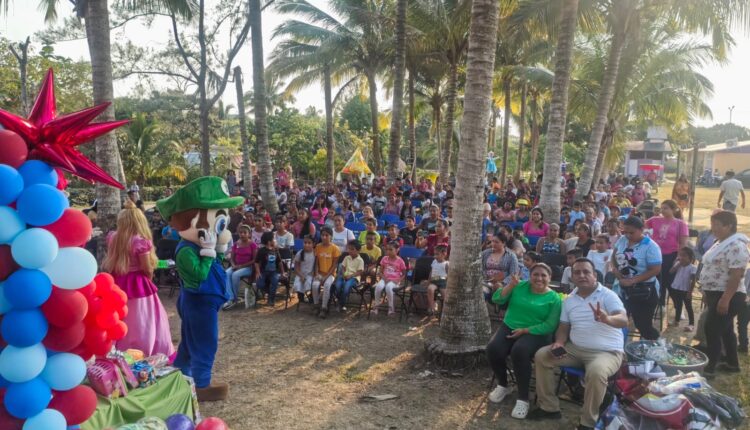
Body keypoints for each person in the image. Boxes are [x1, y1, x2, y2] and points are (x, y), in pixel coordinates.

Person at [530, 258, 628, 429]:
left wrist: (607, 319)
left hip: (606, 352)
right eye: (577, 272)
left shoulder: (608, 295)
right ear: (572, 277)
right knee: (542, 356)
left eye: (586, 272)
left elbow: (623, 319)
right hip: (574, 350)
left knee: (596, 372)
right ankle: (549, 407)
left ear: (594, 275)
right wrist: (559, 342)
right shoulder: (569, 300)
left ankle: (587, 423)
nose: (582, 275)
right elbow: (563, 327)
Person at [487, 264, 562, 419]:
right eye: (535, 274)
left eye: (543, 275)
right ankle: (503, 384)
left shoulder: (554, 298)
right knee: (493, 348)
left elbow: (550, 325)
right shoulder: (519, 286)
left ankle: (523, 398)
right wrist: (510, 285)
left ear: (550, 278)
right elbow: (497, 299)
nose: (539, 278)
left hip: (537, 332)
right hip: (510, 326)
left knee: (519, 351)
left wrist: (525, 331)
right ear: (530, 276)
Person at [103, 200, 174, 357]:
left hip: (117, 281)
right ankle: (143, 352)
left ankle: (119, 352)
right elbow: (147, 268)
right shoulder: (140, 241)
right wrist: (149, 279)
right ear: (139, 221)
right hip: (138, 284)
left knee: (122, 319)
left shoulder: (113, 237)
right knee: (142, 321)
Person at [698, 210, 749, 376]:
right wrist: (706, 292)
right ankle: (732, 363)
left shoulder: (736, 246)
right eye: (712, 224)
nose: (713, 228)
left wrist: (725, 299)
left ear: (729, 226)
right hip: (716, 293)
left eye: (718, 225)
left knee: (712, 329)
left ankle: (710, 368)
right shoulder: (720, 242)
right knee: (726, 330)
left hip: (729, 295)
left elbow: (736, 275)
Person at [611, 216, 662, 340]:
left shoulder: (651, 246)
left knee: (643, 325)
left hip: (644, 291)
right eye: (625, 232)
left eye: (632, 232)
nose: (628, 235)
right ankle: (619, 347)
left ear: (642, 229)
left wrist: (633, 281)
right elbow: (613, 256)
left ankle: (656, 345)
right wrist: (616, 270)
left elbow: (655, 269)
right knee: (618, 322)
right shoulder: (622, 240)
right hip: (622, 289)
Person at [645, 200, 688, 306]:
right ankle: (660, 304)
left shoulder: (680, 224)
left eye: (666, 208)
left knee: (668, 281)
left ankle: (678, 306)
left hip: (670, 255)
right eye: (662, 208)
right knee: (657, 279)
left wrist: (678, 258)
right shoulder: (654, 220)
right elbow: (642, 226)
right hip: (654, 254)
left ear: (674, 210)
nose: (663, 210)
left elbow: (683, 243)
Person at [222, 224, 257, 310]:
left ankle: (235, 297)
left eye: (245, 233)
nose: (242, 234)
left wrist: (241, 266)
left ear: (249, 234)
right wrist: (233, 265)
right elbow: (232, 258)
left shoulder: (252, 244)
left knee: (235, 275)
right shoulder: (236, 244)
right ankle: (231, 298)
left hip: (248, 267)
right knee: (226, 273)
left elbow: (254, 260)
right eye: (241, 233)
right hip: (236, 266)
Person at [481, 232, 520, 300]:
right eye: (492, 241)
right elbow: (479, 267)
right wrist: (487, 277)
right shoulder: (485, 253)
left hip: (502, 284)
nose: (493, 244)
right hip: (485, 281)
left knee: (498, 289)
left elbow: (513, 274)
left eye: (496, 242)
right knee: (482, 293)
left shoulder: (511, 256)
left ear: (503, 243)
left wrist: (502, 282)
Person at [372, 242, 407, 316]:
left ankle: (391, 308)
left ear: (397, 250)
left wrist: (398, 280)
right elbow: (380, 271)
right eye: (387, 249)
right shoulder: (384, 259)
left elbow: (404, 274)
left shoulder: (400, 261)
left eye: (391, 249)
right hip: (384, 279)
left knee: (388, 287)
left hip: (394, 281)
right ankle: (376, 306)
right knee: (378, 287)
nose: (388, 251)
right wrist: (384, 278)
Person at [312, 227, 341, 318]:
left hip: (330, 274)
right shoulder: (318, 247)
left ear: (331, 236)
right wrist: (316, 273)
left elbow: (334, 265)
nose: (324, 237)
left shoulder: (335, 248)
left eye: (326, 235)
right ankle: (316, 305)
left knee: (327, 286)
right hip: (320, 272)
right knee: (315, 285)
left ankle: (324, 308)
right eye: (322, 235)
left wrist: (326, 276)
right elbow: (316, 262)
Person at [669, 246, 697, 331]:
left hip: (686, 290)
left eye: (684, 255)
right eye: (680, 255)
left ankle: (691, 324)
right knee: (678, 305)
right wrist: (677, 264)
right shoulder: (678, 265)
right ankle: (676, 321)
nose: (681, 257)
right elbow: (671, 272)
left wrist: (690, 292)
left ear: (690, 258)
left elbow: (693, 281)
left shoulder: (692, 267)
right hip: (676, 288)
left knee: (688, 307)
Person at [255, 232, 284, 306]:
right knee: (259, 284)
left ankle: (271, 300)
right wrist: (258, 272)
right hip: (263, 271)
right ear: (269, 242)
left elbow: (279, 262)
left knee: (275, 282)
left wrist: (282, 272)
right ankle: (270, 292)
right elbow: (256, 262)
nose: (275, 240)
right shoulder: (261, 251)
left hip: (273, 272)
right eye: (274, 239)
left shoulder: (275, 250)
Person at [334, 240, 365, 311]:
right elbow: (343, 267)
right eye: (349, 249)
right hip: (344, 276)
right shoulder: (346, 257)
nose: (350, 251)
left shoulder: (360, 260)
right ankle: (341, 300)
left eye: (352, 249)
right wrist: (343, 274)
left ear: (358, 251)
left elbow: (359, 272)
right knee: (337, 286)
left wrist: (350, 276)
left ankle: (341, 304)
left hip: (354, 278)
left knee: (346, 287)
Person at [424, 245, 449, 315]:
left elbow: (448, 276)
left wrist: (444, 281)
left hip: (443, 282)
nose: (435, 256)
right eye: (434, 254)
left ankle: (444, 310)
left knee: (445, 295)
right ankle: (432, 308)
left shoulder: (446, 264)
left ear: (444, 254)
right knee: (430, 289)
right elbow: (431, 272)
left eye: (437, 254)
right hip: (434, 281)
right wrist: (428, 281)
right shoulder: (434, 261)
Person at [293, 235, 316, 303]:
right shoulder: (299, 253)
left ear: (313, 244)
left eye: (309, 243)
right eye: (305, 242)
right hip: (300, 274)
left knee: (310, 283)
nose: (306, 245)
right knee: (298, 284)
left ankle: (311, 297)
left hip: (310, 274)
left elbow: (316, 266)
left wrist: (313, 273)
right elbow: (296, 268)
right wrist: (301, 276)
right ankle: (301, 298)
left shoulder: (315, 253)